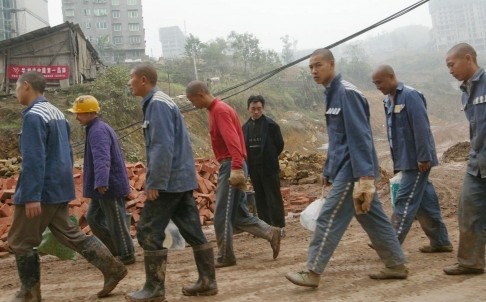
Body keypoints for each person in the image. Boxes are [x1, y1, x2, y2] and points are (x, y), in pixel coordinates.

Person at [285, 48, 408, 288]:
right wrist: (328, 171)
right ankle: (395, 264)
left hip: (353, 171)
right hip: (344, 168)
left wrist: (364, 178)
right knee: (372, 217)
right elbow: (337, 139)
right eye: (310, 67)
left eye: (318, 65)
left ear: (331, 64)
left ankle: (312, 271)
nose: (313, 71)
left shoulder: (347, 93)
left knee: (328, 217)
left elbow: (360, 137)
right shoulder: (331, 94)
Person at [8, 71, 127, 301]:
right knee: (70, 234)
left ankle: (29, 293)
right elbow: (67, 153)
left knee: (21, 241)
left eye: (16, 87)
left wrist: (32, 195)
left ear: (26, 86)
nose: (15, 92)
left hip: (41, 191)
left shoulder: (34, 116)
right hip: (59, 187)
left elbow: (34, 158)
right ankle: (113, 268)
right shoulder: (57, 114)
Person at [126, 63, 217, 302]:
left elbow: (162, 146)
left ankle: (154, 289)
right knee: (192, 229)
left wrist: (155, 182)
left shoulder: (157, 104)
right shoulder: (160, 102)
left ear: (143, 80)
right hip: (180, 179)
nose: (129, 83)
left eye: (131, 78)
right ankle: (208, 281)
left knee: (147, 230)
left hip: (169, 181)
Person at [185, 81, 282, 268]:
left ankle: (225, 255)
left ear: (200, 94)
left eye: (192, 100)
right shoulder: (216, 110)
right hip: (232, 164)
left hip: (231, 165)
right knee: (237, 215)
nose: (192, 105)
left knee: (221, 214)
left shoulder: (220, 111)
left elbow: (234, 141)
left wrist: (236, 167)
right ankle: (271, 232)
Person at [371, 65, 452, 252]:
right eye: (375, 84)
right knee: (426, 203)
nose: (378, 87)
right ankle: (441, 242)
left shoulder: (411, 96)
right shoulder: (387, 101)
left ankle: (389, 244)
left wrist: (424, 157)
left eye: (380, 82)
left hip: (417, 160)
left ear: (391, 77)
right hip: (403, 159)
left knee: (404, 200)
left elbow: (421, 128)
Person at [68, 95, 135, 265]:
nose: (77, 117)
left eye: (79, 114)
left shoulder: (98, 131)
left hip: (108, 185)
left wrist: (101, 182)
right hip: (103, 185)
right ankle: (114, 249)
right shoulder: (94, 128)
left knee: (116, 220)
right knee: (93, 218)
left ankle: (127, 253)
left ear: (91, 113)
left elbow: (102, 158)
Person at [443, 43, 486, 275]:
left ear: (468, 59)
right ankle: (470, 262)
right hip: (477, 164)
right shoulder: (466, 93)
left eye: (452, 64)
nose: (450, 69)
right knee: (467, 210)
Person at [242, 95, 286, 231]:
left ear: (263, 108)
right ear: (248, 109)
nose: (256, 112)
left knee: (274, 198)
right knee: (260, 198)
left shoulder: (271, 125)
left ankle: (279, 227)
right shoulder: (244, 128)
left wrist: (270, 157)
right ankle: (265, 227)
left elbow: (279, 145)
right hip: (254, 169)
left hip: (269, 168)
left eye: (259, 109)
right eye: (253, 109)